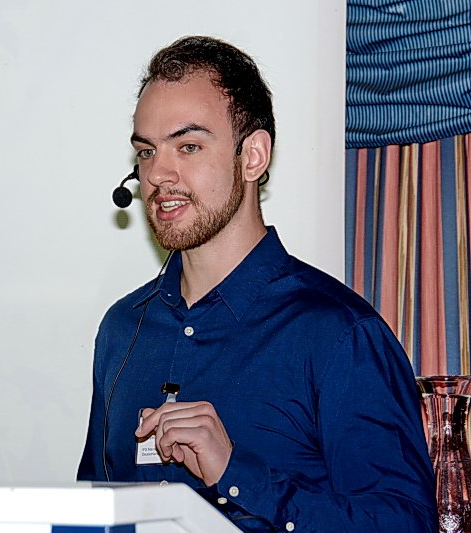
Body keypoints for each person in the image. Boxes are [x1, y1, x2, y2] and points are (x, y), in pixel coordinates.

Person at [77, 36, 437, 532]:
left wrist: (235, 472)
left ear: (252, 156)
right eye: (146, 151)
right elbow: (91, 512)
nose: (158, 173)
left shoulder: (339, 334)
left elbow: (407, 524)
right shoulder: (123, 329)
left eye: (188, 146)